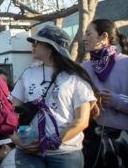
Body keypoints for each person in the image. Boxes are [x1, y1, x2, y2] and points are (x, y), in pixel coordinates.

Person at [10, 25, 97, 168]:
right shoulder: (28, 73)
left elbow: (81, 121)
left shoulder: (75, 78)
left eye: (37, 42)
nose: (33, 45)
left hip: (65, 153)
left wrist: (50, 142)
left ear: (51, 48)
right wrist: (15, 139)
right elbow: (12, 110)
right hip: (28, 152)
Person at [80, 19, 128, 168]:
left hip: (125, 140)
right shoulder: (83, 69)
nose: (84, 38)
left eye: (88, 34)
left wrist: (115, 100)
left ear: (103, 37)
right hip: (93, 141)